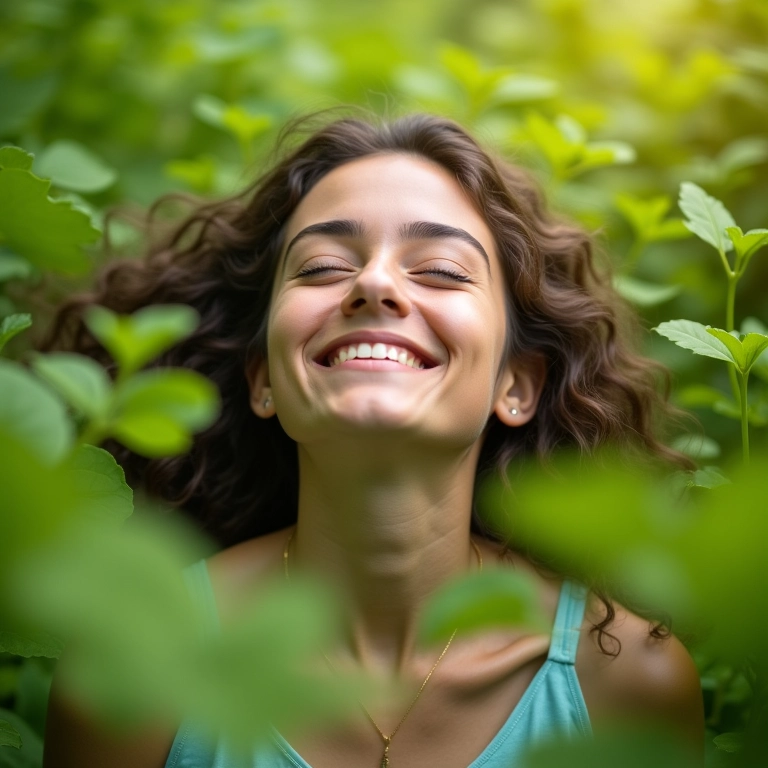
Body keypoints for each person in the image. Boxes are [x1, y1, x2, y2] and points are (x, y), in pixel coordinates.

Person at [42, 113, 704, 767]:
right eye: (324, 266)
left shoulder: (627, 681)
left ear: (517, 385)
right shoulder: (136, 666)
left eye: (442, 270)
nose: (376, 285)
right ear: (264, 380)